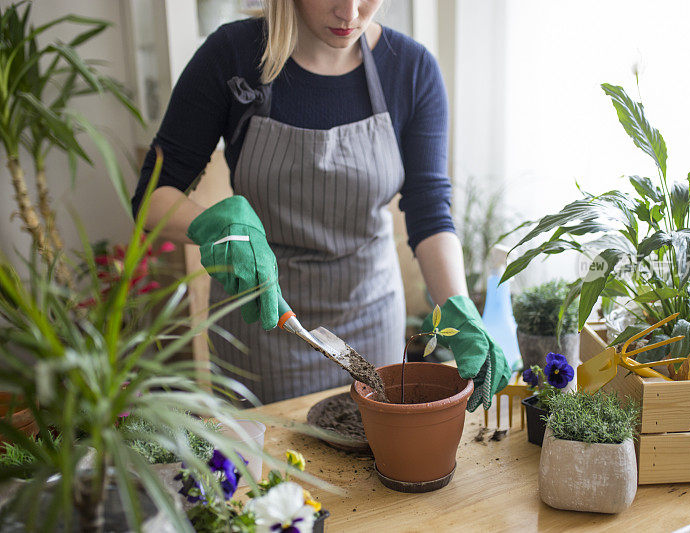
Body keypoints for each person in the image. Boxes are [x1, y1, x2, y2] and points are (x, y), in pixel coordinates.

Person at [132, 0, 510, 410]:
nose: (350, 13)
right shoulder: (233, 55)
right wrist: (213, 226)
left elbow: (430, 210)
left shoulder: (411, 70)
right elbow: (151, 199)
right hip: (261, 326)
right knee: (264, 471)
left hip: (370, 321)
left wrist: (457, 304)